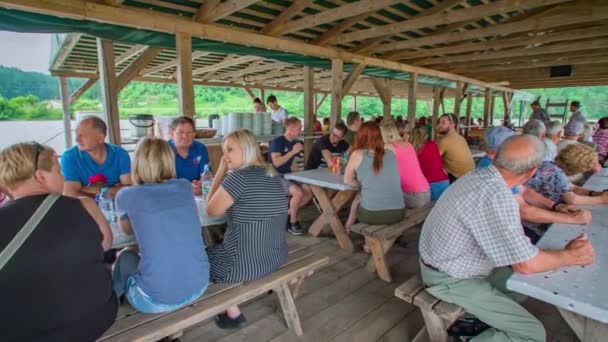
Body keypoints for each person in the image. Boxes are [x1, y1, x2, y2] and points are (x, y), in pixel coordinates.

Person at [419, 135, 595, 342]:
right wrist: (571, 256)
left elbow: (523, 259)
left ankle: (474, 322)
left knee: (522, 288)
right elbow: (526, 265)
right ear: (531, 172)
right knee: (532, 333)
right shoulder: (496, 195)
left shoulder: (481, 175)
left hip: (447, 264)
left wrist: (563, 252)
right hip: (450, 278)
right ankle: (476, 325)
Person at [0, 142, 117, 341]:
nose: (63, 177)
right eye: (58, 170)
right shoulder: (84, 205)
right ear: (40, 176)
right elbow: (105, 245)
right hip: (95, 321)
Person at [113, 138, 209, 314]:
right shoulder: (184, 186)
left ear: (138, 163)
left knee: (124, 255)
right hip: (199, 286)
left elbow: (126, 230)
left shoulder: (126, 195)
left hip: (154, 301)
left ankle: (113, 305)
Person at [206, 129, 289, 329]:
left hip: (241, 265)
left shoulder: (238, 178)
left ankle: (233, 312)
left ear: (247, 149)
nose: (225, 157)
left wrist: (219, 173)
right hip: (276, 256)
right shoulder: (273, 174)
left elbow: (210, 210)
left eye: (229, 150)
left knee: (200, 256)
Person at [479, 127, 592, 244]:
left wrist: (556, 206)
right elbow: (524, 211)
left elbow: (524, 191)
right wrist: (571, 219)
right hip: (497, 233)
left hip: (510, 223)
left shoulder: (499, 163)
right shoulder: (493, 170)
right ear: (505, 148)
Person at [524, 143, 608, 241]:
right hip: (533, 224)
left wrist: (595, 193)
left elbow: (572, 188)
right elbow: (572, 199)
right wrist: (602, 199)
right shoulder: (558, 174)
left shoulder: (549, 165)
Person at [343, 122, 405, 234]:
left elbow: (347, 180)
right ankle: (366, 241)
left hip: (372, 214)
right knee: (362, 198)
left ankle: (349, 228)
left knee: (358, 198)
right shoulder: (391, 152)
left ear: (360, 136)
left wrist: (363, 184)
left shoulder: (357, 154)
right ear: (380, 135)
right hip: (399, 212)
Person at [61, 116, 131, 198]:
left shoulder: (120, 154)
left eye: (82, 136)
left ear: (100, 138)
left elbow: (128, 190)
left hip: (116, 207)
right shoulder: (69, 157)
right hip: (84, 208)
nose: (77, 139)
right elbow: (71, 194)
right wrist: (113, 190)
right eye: (77, 134)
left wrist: (85, 189)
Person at [269, 117, 313, 235]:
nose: (300, 131)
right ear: (291, 129)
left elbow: (293, 164)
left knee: (308, 190)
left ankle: (286, 215)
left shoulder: (293, 143)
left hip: (288, 175)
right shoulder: (277, 142)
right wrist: (293, 152)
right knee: (298, 192)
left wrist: (299, 176)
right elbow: (276, 162)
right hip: (274, 175)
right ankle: (293, 223)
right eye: (299, 128)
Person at [381, 120, 430, 208]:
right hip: (426, 190)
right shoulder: (408, 144)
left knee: (380, 196)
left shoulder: (389, 146)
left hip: (413, 196)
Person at [168, 116, 210, 196]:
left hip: (196, 195)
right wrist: (186, 187)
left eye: (189, 133)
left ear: (194, 134)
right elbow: (160, 181)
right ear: (171, 134)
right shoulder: (163, 150)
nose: (185, 136)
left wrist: (200, 184)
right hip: (171, 195)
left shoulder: (200, 148)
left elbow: (206, 173)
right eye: (181, 132)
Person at [410, 127, 449, 201]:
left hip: (428, 184)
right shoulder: (432, 144)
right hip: (444, 181)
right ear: (426, 136)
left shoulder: (412, 150)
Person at [436, 113, 475, 182]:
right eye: (439, 122)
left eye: (443, 123)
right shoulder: (460, 137)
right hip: (470, 176)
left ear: (452, 125)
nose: (439, 125)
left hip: (457, 179)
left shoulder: (445, 141)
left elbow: (433, 160)